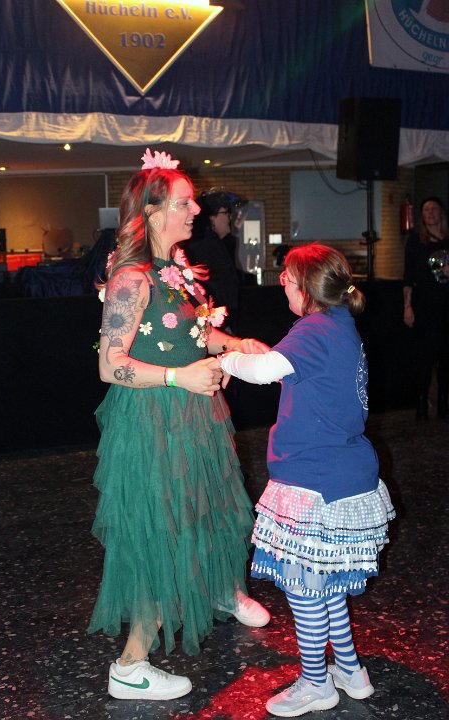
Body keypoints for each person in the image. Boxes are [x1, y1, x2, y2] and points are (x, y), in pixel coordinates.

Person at [88, 149, 270, 702]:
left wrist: (234, 343)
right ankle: (131, 664)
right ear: (152, 211)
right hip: (153, 421)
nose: (196, 210)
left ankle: (218, 589)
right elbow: (110, 365)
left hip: (192, 416)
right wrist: (178, 377)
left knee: (208, 510)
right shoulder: (131, 278)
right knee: (162, 532)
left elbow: (193, 332)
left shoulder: (176, 269)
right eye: (185, 203)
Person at [219, 243, 395, 718]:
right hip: (343, 474)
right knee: (327, 582)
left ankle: (316, 682)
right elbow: (299, 374)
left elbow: (263, 371)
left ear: (307, 287)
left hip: (315, 479)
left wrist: (225, 359)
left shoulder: (315, 329)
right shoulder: (338, 325)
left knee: (306, 589)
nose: (283, 286)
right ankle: (351, 671)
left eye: (287, 278)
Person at [402, 196, 449, 420]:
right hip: (424, 307)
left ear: (441, 213)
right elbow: (408, 278)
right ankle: (421, 404)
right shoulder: (416, 242)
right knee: (424, 357)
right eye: (426, 210)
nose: (430, 213)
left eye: (434, 209)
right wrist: (407, 306)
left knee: (446, 357)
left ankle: (443, 402)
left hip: (446, 308)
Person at [183, 188, 247, 330]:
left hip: (222, 317)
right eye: (226, 212)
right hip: (214, 319)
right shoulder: (204, 245)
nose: (230, 217)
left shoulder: (216, 242)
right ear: (212, 217)